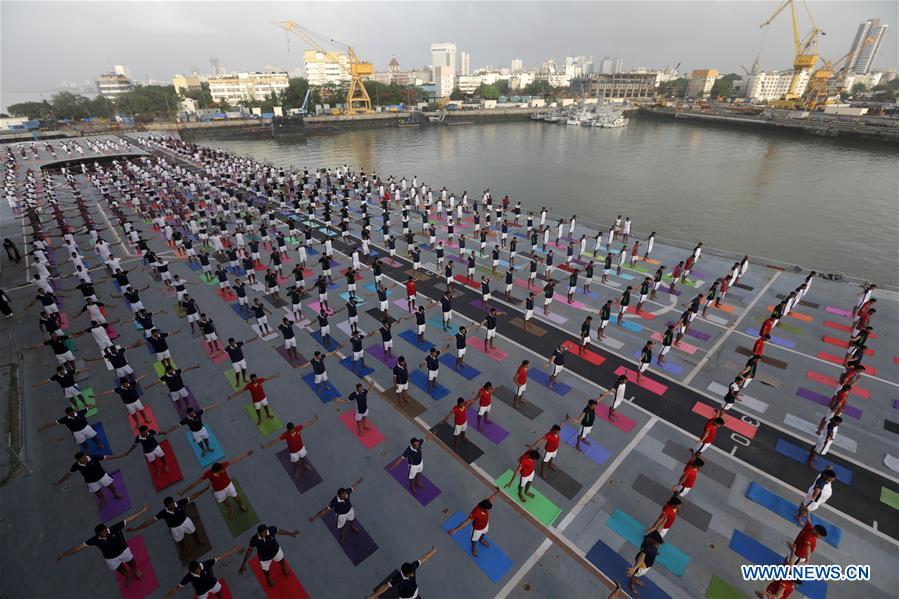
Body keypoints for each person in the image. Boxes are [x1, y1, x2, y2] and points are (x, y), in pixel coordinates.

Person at [57, 506, 150, 587]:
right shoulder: (94, 540)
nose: (105, 534)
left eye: (106, 531)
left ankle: (135, 570)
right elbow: (78, 548)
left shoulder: (114, 528)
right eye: (103, 534)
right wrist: (64, 554)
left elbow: (129, 519)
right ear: (98, 534)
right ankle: (128, 576)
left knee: (131, 562)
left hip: (123, 551)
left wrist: (144, 510)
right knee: (119, 569)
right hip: (111, 558)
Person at [127, 490, 210, 560]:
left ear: (174, 502)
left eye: (172, 503)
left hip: (186, 522)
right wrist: (135, 529)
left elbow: (193, 497)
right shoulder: (163, 513)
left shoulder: (180, 503)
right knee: (180, 541)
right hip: (175, 529)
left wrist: (205, 489)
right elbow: (150, 521)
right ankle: (184, 549)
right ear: (165, 506)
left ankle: (198, 540)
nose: (172, 506)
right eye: (169, 505)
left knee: (194, 533)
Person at [179, 451, 253, 520]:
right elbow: (195, 483)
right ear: (215, 471)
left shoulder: (222, 465)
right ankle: (231, 509)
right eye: (220, 471)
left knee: (237, 498)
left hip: (228, 485)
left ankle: (241, 505)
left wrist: (246, 454)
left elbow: (236, 460)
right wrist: (183, 491)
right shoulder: (208, 474)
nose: (222, 471)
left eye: (222, 470)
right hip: (218, 490)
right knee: (224, 501)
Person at [163, 548, 243, 599]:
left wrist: (235, 549)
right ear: (193, 571)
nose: (200, 568)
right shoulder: (188, 577)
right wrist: (166, 597)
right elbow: (177, 588)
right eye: (198, 568)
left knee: (219, 593)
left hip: (213, 584)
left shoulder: (205, 564)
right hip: (201, 592)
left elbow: (220, 557)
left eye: (199, 566)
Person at [55, 452, 125, 508]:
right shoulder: (76, 465)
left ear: (85, 455)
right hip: (90, 481)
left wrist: (119, 456)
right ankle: (103, 499)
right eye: (80, 460)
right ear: (77, 460)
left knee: (110, 486)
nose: (83, 461)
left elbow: (106, 457)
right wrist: (59, 482)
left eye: (83, 458)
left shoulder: (93, 457)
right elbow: (68, 474)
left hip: (102, 475)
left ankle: (115, 493)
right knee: (97, 492)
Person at [446, 488, 503, 556]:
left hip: (485, 525)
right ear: (484, 508)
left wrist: (498, 491)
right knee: (474, 540)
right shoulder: (476, 511)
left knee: (484, 532)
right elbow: (466, 521)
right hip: (477, 529)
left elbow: (492, 498)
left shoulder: (485, 503)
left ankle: (481, 540)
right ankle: (473, 547)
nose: (488, 510)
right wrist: (455, 530)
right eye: (487, 509)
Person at [367, 546, 438, 599]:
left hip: (415, 591)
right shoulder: (397, 577)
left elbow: (423, 558)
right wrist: (373, 596)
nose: (413, 574)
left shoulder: (412, 567)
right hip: (405, 598)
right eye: (410, 574)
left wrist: (433, 551)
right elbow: (385, 586)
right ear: (404, 574)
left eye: (412, 573)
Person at [308, 478, 364, 544]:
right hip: (341, 516)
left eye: (345, 494)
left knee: (352, 519)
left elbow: (353, 488)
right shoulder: (334, 501)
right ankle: (342, 536)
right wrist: (315, 517)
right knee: (341, 527)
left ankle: (353, 527)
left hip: (350, 511)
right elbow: (325, 510)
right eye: (343, 496)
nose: (345, 496)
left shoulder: (346, 492)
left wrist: (358, 482)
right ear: (338, 496)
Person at [38, 406, 103, 452]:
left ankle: (98, 444)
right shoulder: (65, 419)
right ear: (67, 414)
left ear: (73, 411)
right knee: (83, 443)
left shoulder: (80, 412)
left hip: (86, 428)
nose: (71, 414)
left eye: (72, 412)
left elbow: (90, 408)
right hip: (77, 432)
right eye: (69, 413)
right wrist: (43, 427)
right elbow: (54, 423)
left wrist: (100, 403)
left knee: (94, 437)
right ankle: (87, 450)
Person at [626, 531, 663, 595]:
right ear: (653, 541)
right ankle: (632, 584)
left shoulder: (651, 542)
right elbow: (641, 557)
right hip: (641, 566)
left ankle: (635, 578)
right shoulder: (647, 547)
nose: (659, 545)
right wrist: (634, 568)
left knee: (637, 574)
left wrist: (654, 552)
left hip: (647, 564)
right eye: (658, 543)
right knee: (634, 574)